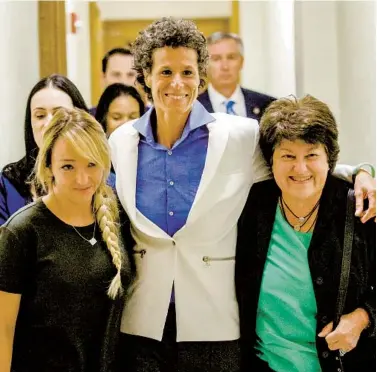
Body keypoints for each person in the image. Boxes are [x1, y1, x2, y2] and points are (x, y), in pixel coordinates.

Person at [109, 17, 375, 372]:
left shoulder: (240, 136)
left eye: (188, 72)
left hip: (214, 324)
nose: (177, 83)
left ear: (201, 76)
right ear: (145, 74)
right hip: (141, 324)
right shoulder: (120, 142)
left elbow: (297, 167)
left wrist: (361, 172)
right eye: (165, 71)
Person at [236, 95, 375, 372]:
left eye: (311, 155)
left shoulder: (361, 209)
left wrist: (363, 317)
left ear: (329, 159)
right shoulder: (252, 208)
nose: (300, 169)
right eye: (288, 156)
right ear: (270, 161)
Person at [0, 107, 131, 372]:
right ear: (48, 166)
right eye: (68, 166)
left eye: (91, 164)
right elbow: (3, 331)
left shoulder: (118, 218)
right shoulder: (22, 232)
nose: (82, 179)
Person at [0, 74, 89, 226]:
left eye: (59, 114)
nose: (49, 123)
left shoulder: (103, 179)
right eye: (40, 115)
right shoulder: (8, 184)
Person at [197, 32, 275, 121]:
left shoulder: (268, 105)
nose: (225, 66)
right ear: (204, 65)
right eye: (216, 58)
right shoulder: (192, 108)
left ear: (241, 62)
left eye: (231, 57)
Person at [90, 47, 150, 116]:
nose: (123, 82)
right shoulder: (87, 121)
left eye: (130, 75)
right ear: (103, 78)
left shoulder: (155, 119)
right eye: (116, 75)